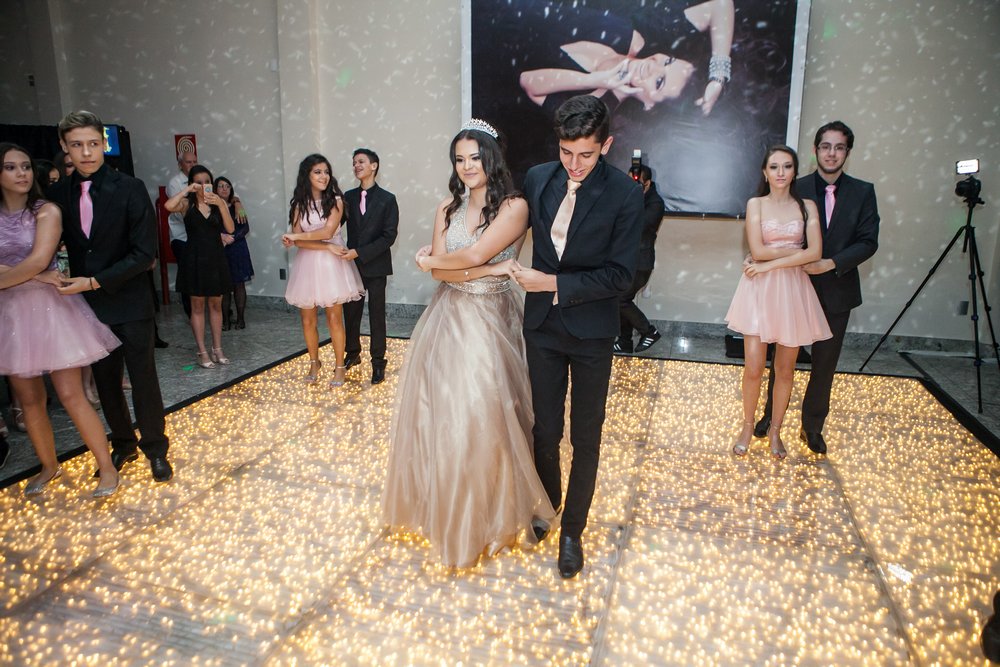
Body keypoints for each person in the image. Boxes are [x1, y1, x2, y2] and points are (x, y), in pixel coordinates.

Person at [383, 120, 555, 568]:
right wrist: (475, 267)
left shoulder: (514, 206)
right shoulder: (447, 207)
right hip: (448, 316)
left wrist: (449, 265)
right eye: (459, 159)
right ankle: (450, 515)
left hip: (492, 319)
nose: (467, 166)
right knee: (445, 416)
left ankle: (491, 516)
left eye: (475, 157)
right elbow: (442, 272)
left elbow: (468, 256)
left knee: (488, 416)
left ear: (491, 158)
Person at [510, 95, 644, 578]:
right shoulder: (537, 178)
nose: (574, 164)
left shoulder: (625, 194)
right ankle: (549, 505)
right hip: (542, 329)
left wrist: (551, 283)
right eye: (566, 152)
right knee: (544, 430)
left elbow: (621, 276)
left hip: (591, 332)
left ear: (606, 145)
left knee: (586, 436)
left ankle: (573, 532)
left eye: (586, 154)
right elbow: (505, 225)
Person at [48, 110, 173, 483]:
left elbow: (144, 254)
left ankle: (156, 449)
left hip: (130, 301)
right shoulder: (58, 194)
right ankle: (123, 443)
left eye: (92, 143)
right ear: (65, 147)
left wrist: (94, 282)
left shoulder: (130, 187)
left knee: (143, 378)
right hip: (89, 307)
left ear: (103, 144)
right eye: (77, 145)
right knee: (105, 382)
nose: (86, 152)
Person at [0, 142, 121, 497]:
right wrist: (36, 276)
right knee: (29, 400)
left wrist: (22, 274)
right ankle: (49, 466)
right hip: (10, 314)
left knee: (71, 394)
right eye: (11, 167)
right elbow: (37, 270)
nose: (22, 173)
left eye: (25, 166)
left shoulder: (46, 210)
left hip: (51, 311)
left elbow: (40, 259)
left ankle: (107, 467)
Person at [753, 122, 880, 455]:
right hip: (794, 287)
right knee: (781, 361)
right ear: (815, 150)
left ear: (847, 152)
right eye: (826, 146)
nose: (831, 153)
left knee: (824, 364)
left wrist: (832, 263)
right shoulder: (797, 186)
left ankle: (812, 427)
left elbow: (868, 241)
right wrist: (762, 258)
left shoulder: (863, 192)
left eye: (839, 147)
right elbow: (772, 229)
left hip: (838, 289)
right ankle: (770, 417)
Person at [725, 145, 831, 459]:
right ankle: (747, 426)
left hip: (792, 291)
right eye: (774, 167)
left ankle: (775, 430)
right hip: (758, 290)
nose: (780, 173)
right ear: (765, 172)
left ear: (795, 171)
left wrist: (769, 263)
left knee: (785, 370)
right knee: (753, 367)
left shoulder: (807, 206)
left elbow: (816, 252)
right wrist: (796, 253)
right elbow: (758, 250)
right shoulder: (756, 204)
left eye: (787, 166)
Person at [518, 0, 733, 115]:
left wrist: (594, 80)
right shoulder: (645, 35)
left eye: (659, 81)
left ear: (649, 104)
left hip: (504, 33)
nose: (653, 66)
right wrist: (718, 77)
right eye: (667, 61)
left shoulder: (596, 108)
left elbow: (527, 82)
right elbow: (721, 5)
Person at [282, 154, 365, 388]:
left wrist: (298, 236)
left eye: (326, 172)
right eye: (318, 172)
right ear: (307, 175)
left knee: (334, 318)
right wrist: (323, 246)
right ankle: (314, 362)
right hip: (307, 264)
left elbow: (327, 232)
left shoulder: (336, 201)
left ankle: (339, 367)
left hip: (331, 266)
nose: (324, 176)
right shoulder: (298, 204)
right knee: (307, 319)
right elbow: (300, 242)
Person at [163, 166, 235, 368]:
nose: (204, 186)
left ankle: (217, 348)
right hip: (194, 258)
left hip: (215, 258)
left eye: (207, 181)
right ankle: (202, 351)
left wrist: (221, 204)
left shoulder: (218, 203)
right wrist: (187, 190)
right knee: (197, 306)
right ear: (193, 184)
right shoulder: (187, 204)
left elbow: (230, 228)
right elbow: (168, 205)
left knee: (216, 305)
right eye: (199, 182)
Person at [342, 148, 399, 385]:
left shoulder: (388, 199)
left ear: (374, 166)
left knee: (377, 315)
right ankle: (352, 353)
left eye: (361, 162)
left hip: (376, 266)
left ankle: (378, 362)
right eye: (354, 162)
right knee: (351, 313)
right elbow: (333, 224)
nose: (356, 166)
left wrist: (360, 252)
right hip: (352, 266)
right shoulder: (347, 197)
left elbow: (389, 236)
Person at [614, 164, 666, 354]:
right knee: (622, 298)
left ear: (648, 183)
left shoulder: (655, 203)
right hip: (626, 260)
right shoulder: (629, 198)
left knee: (620, 299)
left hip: (641, 262)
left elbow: (637, 225)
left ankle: (649, 331)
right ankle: (624, 341)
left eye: (636, 183)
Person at [214, 176, 254, 331]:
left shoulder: (237, 205)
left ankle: (241, 319)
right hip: (220, 249)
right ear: (215, 189)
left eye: (227, 186)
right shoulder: (211, 208)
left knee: (239, 285)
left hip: (238, 249)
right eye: (221, 186)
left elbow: (245, 227)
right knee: (224, 288)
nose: (224, 189)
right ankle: (225, 321)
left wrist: (232, 238)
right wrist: (221, 237)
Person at [166, 149, 198, 318]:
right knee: (187, 274)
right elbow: (178, 211)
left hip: (199, 236)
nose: (192, 165)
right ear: (180, 165)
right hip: (181, 237)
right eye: (188, 162)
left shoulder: (201, 179)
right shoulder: (175, 183)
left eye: (194, 161)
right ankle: (190, 313)